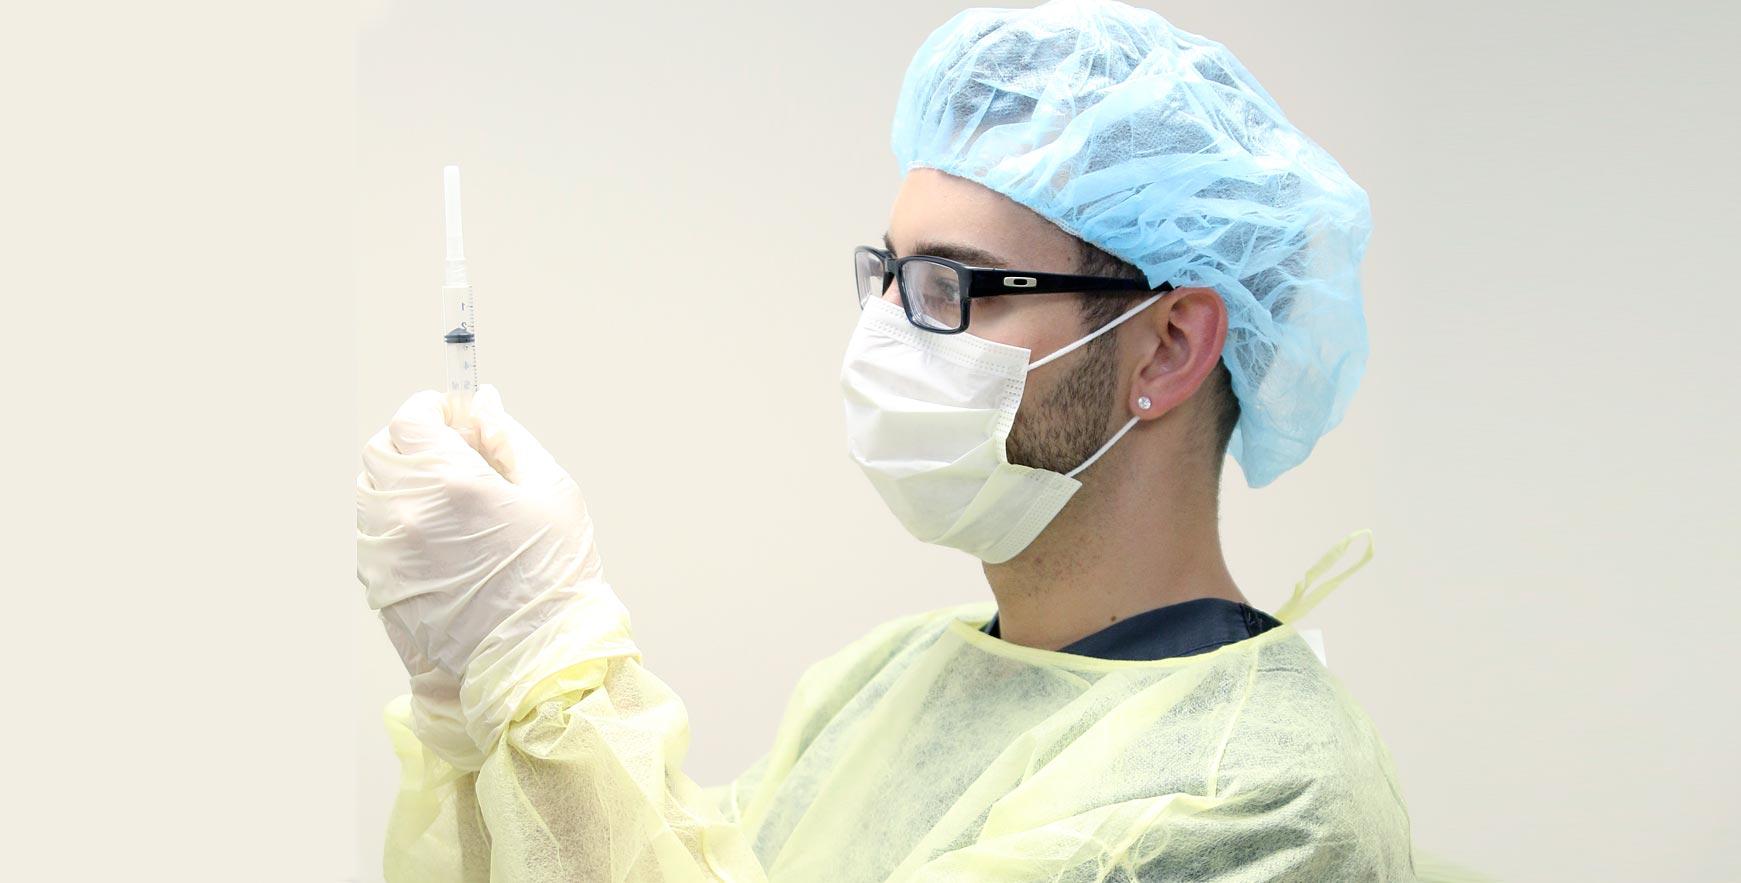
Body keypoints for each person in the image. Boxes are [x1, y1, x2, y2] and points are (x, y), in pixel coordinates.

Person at [359, 2, 1480, 880]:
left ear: (1168, 347)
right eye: (886, 276)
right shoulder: (887, 683)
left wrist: (546, 663)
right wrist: (481, 714)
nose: (885, 333)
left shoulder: (1263, 803)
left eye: (954, 286)